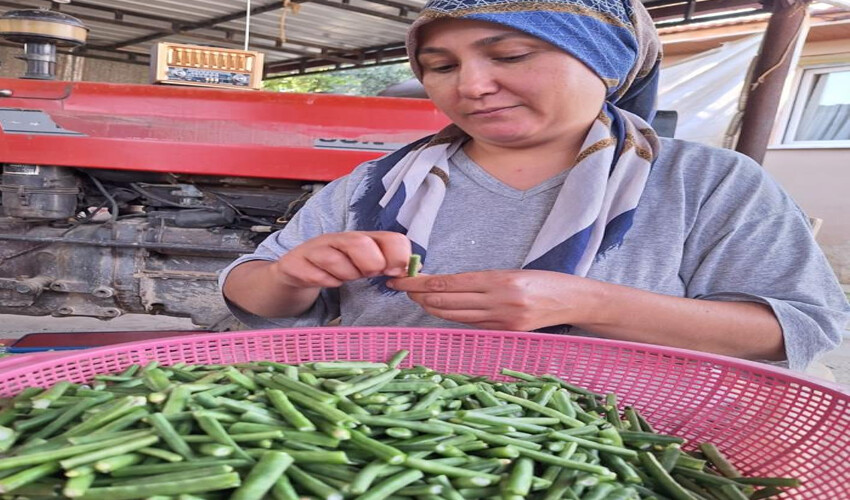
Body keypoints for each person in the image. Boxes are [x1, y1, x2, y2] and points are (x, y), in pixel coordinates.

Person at [220, 0, 850, 371]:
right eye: (440, 66)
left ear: (602, 61)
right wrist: (291, 277)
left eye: (511, 56)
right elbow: (252, 291)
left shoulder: (707, 182)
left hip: (607, 441)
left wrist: (590, 303)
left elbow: (798, 328)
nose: (470, 86)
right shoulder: (378, 183)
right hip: (379, 426)